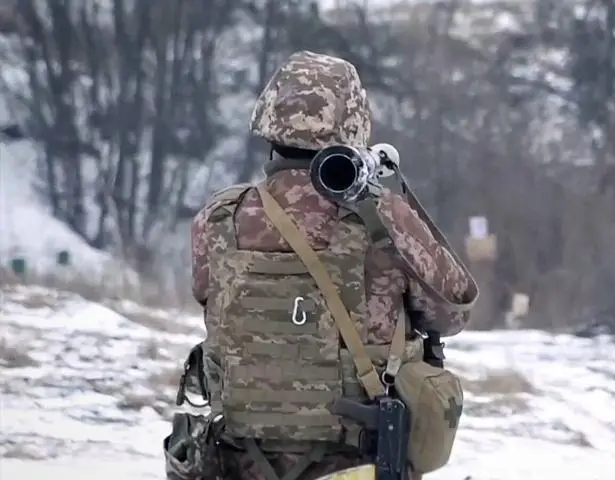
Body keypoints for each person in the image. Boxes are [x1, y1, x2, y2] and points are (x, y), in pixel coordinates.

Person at [168, 50, 478, 480]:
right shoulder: (382, 218)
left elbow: (209, 297)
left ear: (269, 119)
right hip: (357, 463)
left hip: (241, 463)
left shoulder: (218, 218)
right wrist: (395, 202)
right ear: (353, 126)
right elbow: (453, 311)